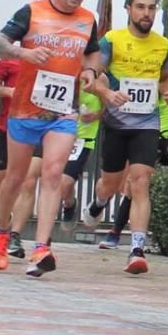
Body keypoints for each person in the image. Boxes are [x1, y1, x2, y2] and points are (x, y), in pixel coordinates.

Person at [0, 0, 101, 277]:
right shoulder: (31, 12)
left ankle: (41, 248)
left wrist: (90, 70)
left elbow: (92, 51)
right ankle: (1, 231)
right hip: (25, 110)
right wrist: (23, 52)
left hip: (64, 111)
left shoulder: (87, 19)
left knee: (52, 174)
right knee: (15, 179)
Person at [80, 0, 168, 275]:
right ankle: (99, 203)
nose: (146, 13)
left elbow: (164, 80)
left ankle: (136, 249)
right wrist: (108, 95)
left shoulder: (162, 45)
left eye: (151, 8)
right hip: (116, 123)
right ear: (129, 9)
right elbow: (95, 76)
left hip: (147, 123)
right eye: (141, 7)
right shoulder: (112, 40)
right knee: (110, 184)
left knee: (140, 181)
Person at [97, 46, 168, 251]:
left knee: (134, 184)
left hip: (157, 137)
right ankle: (102, 209)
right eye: (166, 62)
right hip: (135, 131)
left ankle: (116, 235)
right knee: (118, 183)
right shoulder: (150, 82)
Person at [0, 58, 42, 258]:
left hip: (40, 127)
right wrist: (9, 91)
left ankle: (15, 234)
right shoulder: (10, 61)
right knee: (4, 180)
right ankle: (3, 224)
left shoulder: (53, 60)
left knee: (29, 181)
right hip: (8, 127)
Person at [56, 87, 103, 234]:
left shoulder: (101, 78)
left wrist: (96, 115)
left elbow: (110, 106)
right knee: (56, 183)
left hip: (82, 139)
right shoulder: (66, 74)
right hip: (57, 133)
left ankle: (69, 204)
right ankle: (69, 203)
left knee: (66, 182)